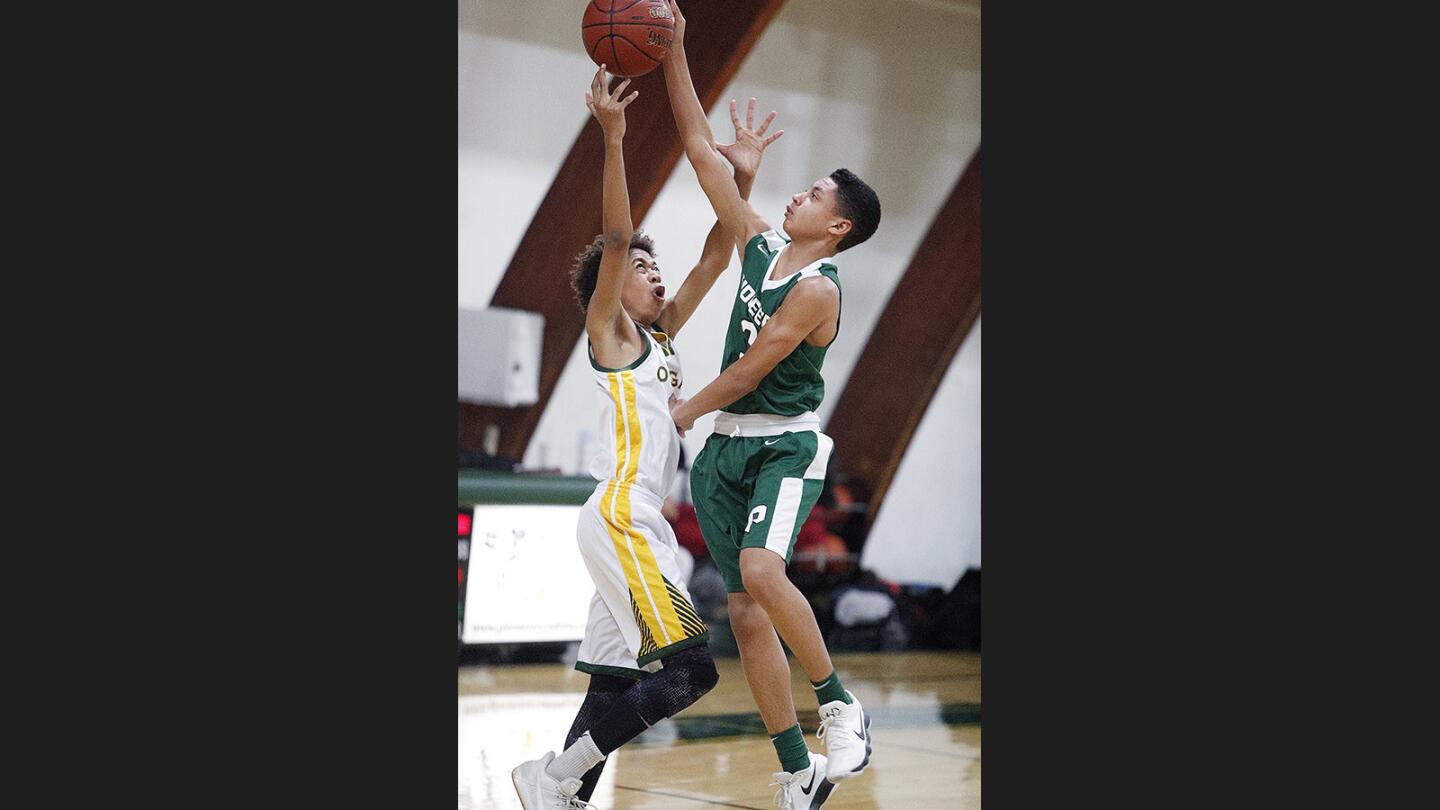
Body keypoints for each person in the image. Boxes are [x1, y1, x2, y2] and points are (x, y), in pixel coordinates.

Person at [510, 62, 781, 810]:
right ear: (611, 285)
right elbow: (619, 229)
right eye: (641, 267)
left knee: (613, 684)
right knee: (690, 672)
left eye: (656, 266)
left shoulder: (659, 343)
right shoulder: (610, 333)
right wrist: (615, 137)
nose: (655, 272)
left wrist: (744, 179)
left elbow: (718, 256)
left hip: (637, 524)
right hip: (621, 516)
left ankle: (558, 795)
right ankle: (553, 778)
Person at [659, 3, 883, 807]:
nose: (801, 193)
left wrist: (679, 414)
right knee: (748, 617)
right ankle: (797, 771)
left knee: (760, 569)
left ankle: (838, 702)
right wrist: (676, 52)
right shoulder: (757, 242)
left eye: (817, 192)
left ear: (838, 225)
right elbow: (696, 148)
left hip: (782, 446)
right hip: (725, 450)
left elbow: (754, 367)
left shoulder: (819, 289)